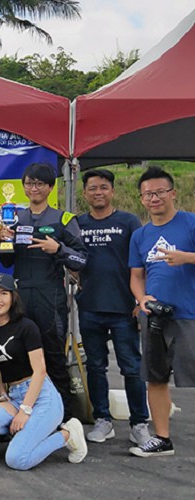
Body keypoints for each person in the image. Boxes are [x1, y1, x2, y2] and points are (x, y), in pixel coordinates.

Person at [0, 162, 87, 422]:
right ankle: (21, 416)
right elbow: (5, 261)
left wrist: (58, 249)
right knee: (19, 358)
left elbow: (82, 260)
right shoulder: (15, 218)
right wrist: (5, 241)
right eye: (29, 183)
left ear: (50, 187)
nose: (34, 188)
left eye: (39, 184)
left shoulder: (64, 219)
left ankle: (63, 419)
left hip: (51, 298)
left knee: (53, 358)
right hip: (21, 298)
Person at [0, 273, 87, 470]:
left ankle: (67, 435)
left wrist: (25, 410)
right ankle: (28, 434)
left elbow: (40, 371)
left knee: (17, 460)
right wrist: (2, 393)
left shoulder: (26, 327)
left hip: (42, 396)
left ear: (13, 297)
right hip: (15, 395)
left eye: (3, 293)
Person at [75, 169, 150, 446]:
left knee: (132, 368)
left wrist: (140, 300)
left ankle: (139, 423)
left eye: (104, 187)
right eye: (93, 188)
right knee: (96, 367)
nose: (98, 192)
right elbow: (71, 259)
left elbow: (142, 264)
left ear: (113, 191)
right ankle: (102, 420)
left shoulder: (128, 222)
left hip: (123, 308)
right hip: (90, 307)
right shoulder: (78, 223)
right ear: (85, 193)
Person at [128, 166, 195, 458]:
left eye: (159, 192)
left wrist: (187, 257)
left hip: (189, 315)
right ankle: (162, 439)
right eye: (147, 194)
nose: (154, 198)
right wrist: (141, 299)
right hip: (154, 317)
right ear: (141, 199)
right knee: (155, 377)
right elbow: (136, 275)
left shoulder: (190, 223)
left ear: (173, 193)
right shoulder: (140, 236)